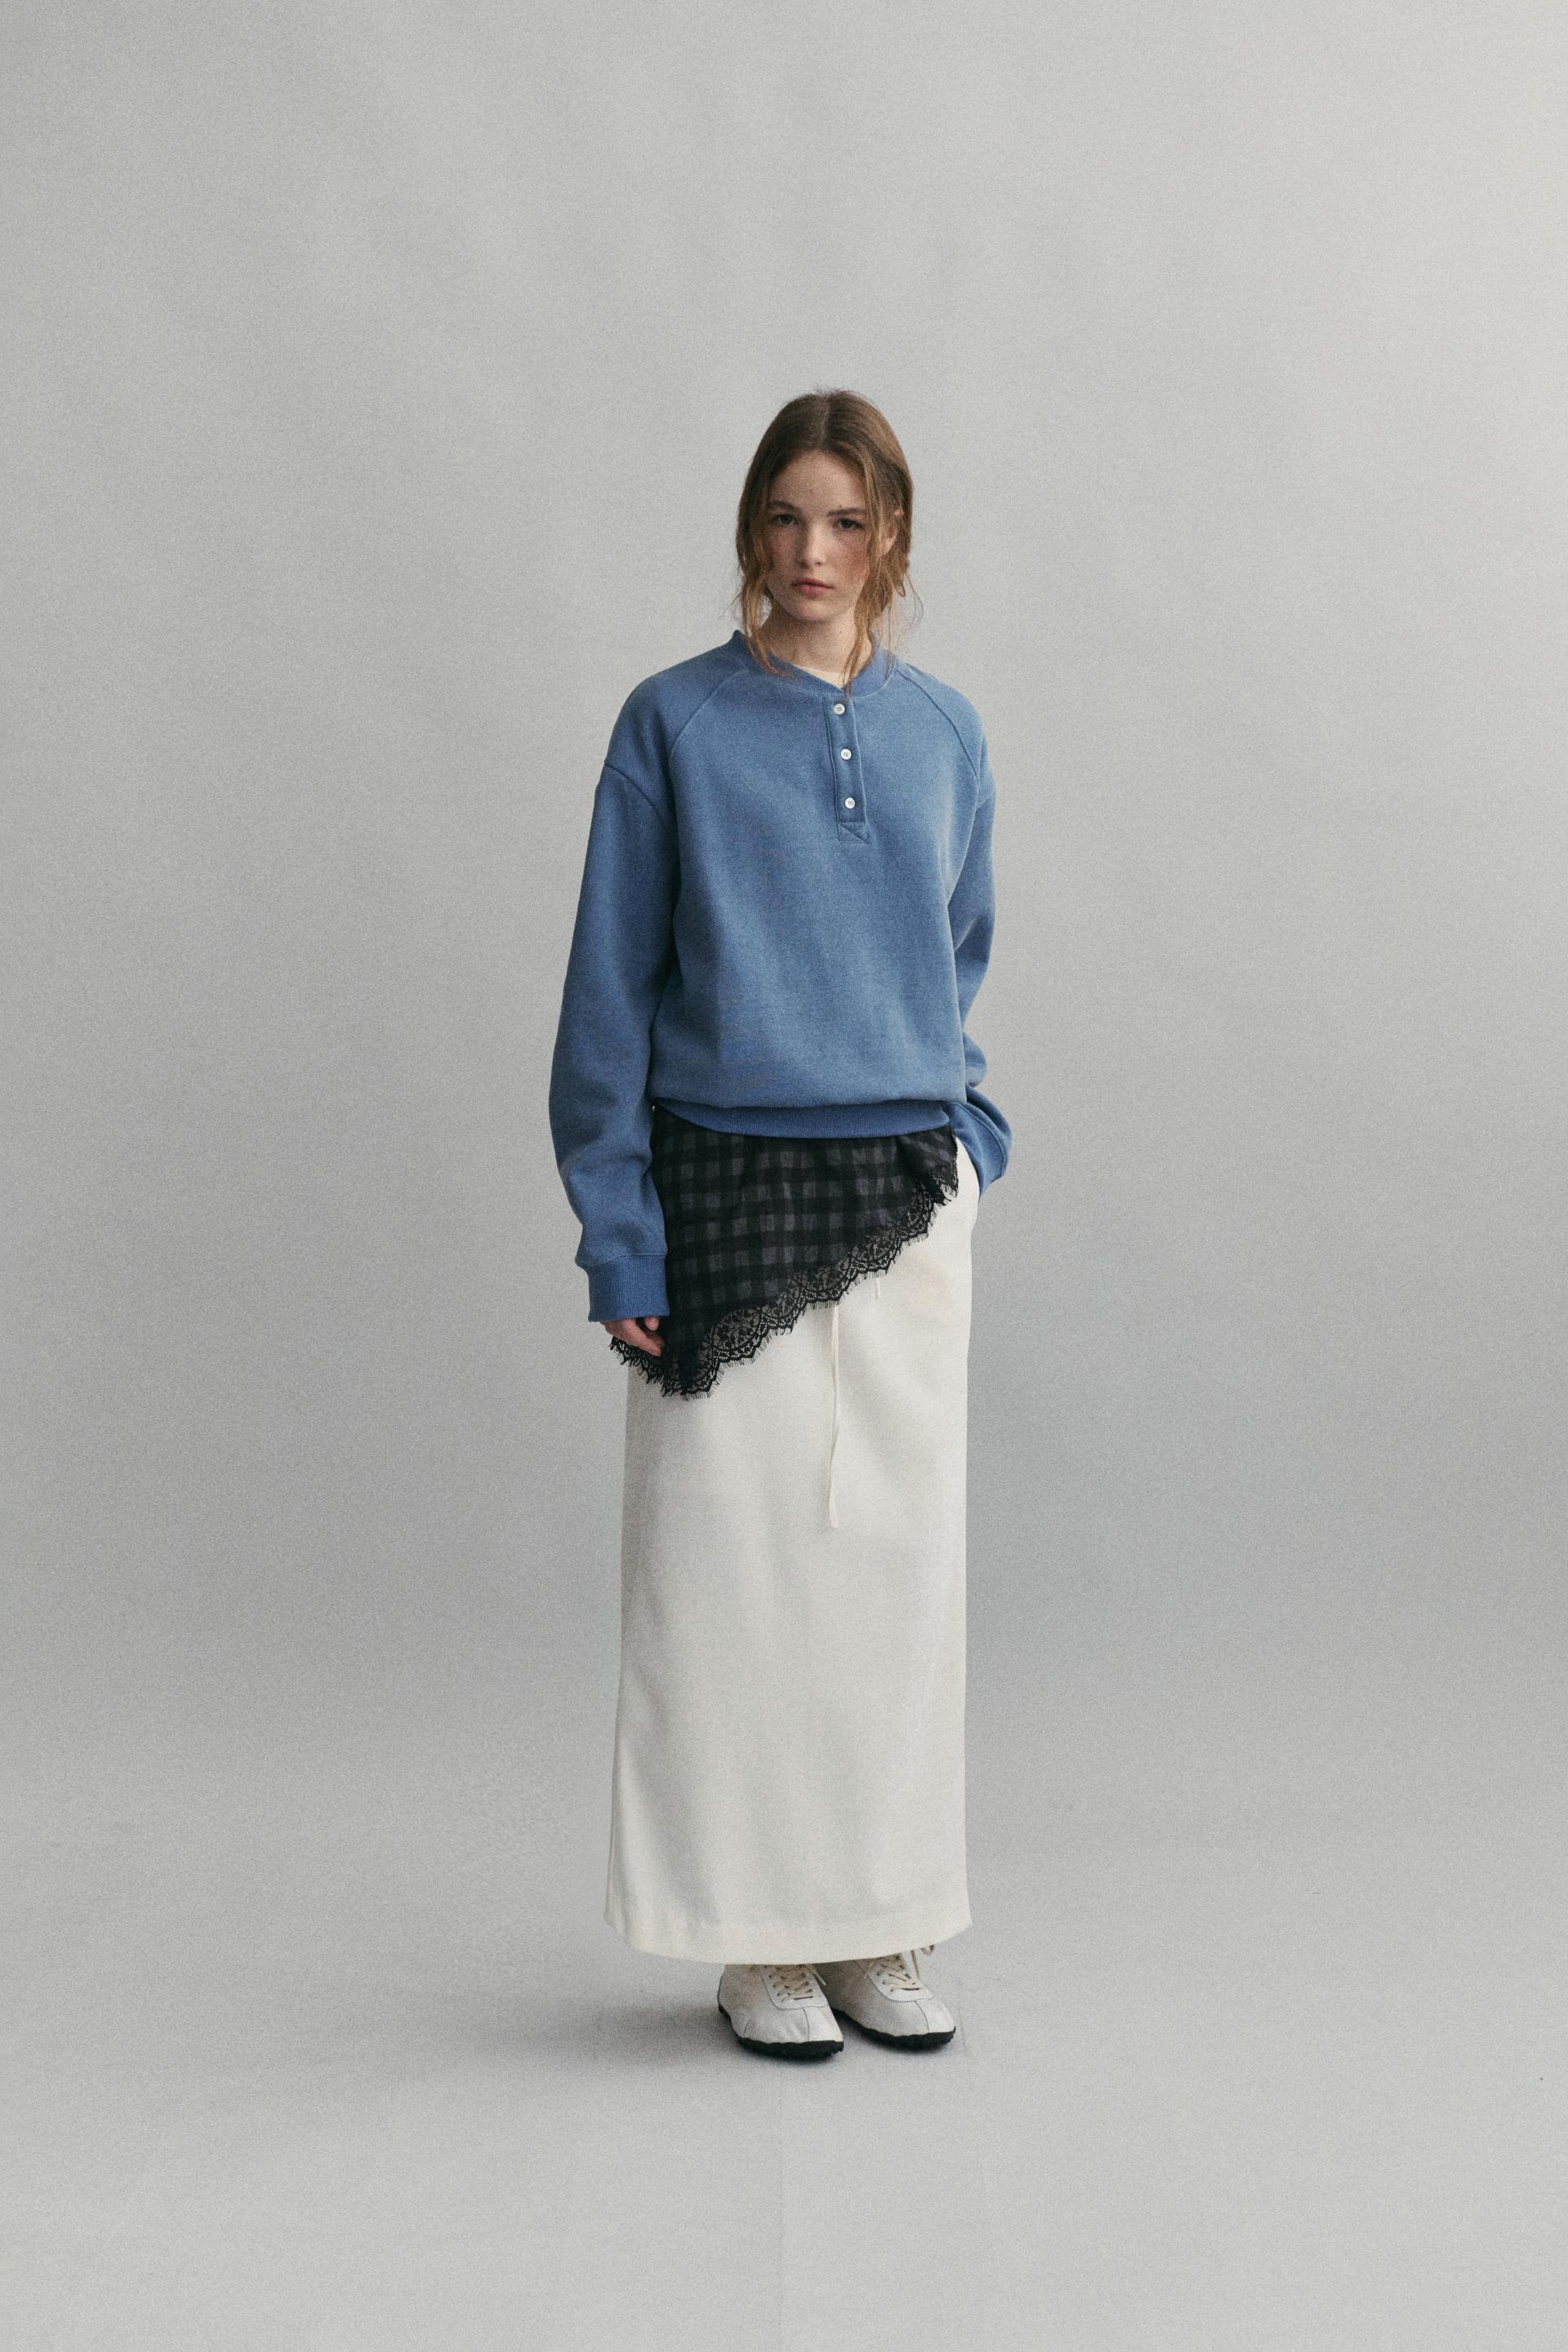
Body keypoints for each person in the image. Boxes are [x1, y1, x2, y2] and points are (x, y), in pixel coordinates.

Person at [548, 387, 1011, 2060]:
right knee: (729, 1585)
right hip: (721, 1190)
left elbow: (959, 953)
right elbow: (608, 997)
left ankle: (881, 1920)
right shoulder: (671, 722)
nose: (812, 550)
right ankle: (758, 1941)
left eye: (847, 520)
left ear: (892, 537)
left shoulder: (944, 730)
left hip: (904, 1197)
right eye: (786, 516)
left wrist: (967, 1136)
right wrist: (620, 1232)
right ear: (754, 528)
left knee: (894, 1581)